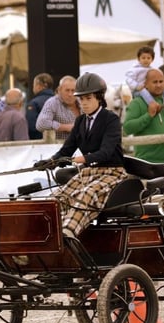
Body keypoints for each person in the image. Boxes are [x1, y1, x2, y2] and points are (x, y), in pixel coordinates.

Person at [34, 72, 126, 241]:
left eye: (88, 98)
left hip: (112, 173)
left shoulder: (111, 119)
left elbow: (106, 152)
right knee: (58, 197)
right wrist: (51, 161)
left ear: (99, 98)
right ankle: (42, 235)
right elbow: (67, 149)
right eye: (81, 99)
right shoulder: (80, 121)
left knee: (87, 194)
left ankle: (66, 235)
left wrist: (81, 159)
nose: (83, 103)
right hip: (88, 173)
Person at [122, 68, 164, 168]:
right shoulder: (137, 103)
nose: (159, 85)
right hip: (145, 163)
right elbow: (127, 128)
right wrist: (149, 115)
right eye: (155, 82)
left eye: (161, 81)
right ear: (145, 84)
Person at [125, 46, 164, 112]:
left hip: (149, 88)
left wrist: (163, 83)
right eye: (143, 58)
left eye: (148, 58)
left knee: (161, 88)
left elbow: (159, 77)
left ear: (152, 59)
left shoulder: (152, 70)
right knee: (144, 91)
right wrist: (137, 86)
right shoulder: (135, 70)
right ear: (139, 59)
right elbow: (128, 79)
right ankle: (153, 104)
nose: (146, 60)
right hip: (138, 91)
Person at [35, 75, 79, 140]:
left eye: (73, 91)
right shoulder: (53, 103)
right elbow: (41, 124)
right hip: (60, 147)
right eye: (67, 90)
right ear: (59, 90)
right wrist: (66, 127)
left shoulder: (81, 102)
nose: (70, 94)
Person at [26, 72, 54, 140]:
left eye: (34, 85)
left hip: (41, 144)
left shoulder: (34, 103)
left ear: (38, 86)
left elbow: (32, 127)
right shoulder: (60, 101)